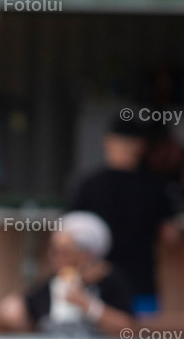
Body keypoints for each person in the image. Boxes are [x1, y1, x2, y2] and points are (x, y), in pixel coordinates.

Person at [71, 116, 176, 313]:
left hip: (95, 284)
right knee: (140, 338)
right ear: (141, 146)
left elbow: (70, 235)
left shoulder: (89, 184)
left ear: (108, 142)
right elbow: (170, 235)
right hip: (140, 282)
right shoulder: (155, 186)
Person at [0, 212, 134, 338]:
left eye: (62, 252)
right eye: (53, 250)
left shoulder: (109, 281)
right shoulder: (53, 283)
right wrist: (14, 307)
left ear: (85, 254)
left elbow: (128, 329)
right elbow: (22, 309)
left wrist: (86, 304)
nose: (52, 257)